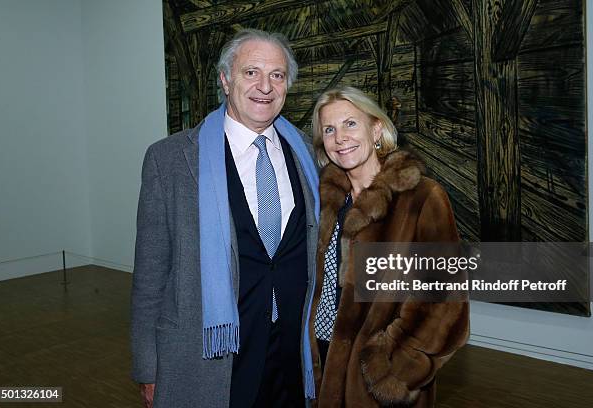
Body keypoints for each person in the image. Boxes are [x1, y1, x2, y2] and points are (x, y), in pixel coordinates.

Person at [131, 29, 320, 408]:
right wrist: (147, 368)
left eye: (277, 75)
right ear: (225, 79)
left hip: (290, 351)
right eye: (251, 72)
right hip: (211, 355)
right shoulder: (169, 160)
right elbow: (150, 274)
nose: (264, 86)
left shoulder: (307, 153)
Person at [308, 86, 469, 407]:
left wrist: (391, 368)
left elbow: (445, 301)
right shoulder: (321, 201)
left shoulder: (421, 197)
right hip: (322, 360)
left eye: (350, 124)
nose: (340, 138)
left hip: (378, 375)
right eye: (330, 129)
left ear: (376, 128)